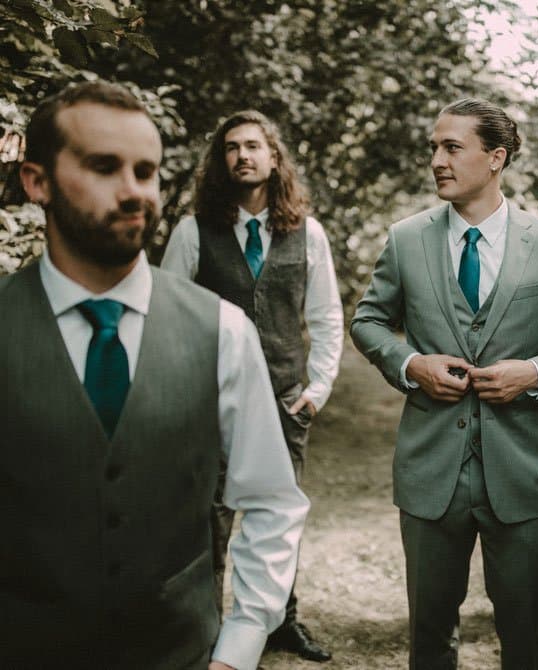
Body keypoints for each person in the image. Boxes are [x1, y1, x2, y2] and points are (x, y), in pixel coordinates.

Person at [1, 80, 309, 669]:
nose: (133, 191)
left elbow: (272, 499)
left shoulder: (222, 331)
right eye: (103, 166)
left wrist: (240, 645)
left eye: (145, 172)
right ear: (36, 182)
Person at [351, 98, 538, 669]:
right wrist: (409, 364)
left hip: (519, 473)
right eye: (434, 148)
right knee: (429, 635)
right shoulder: (406, 239)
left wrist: (537, 373)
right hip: (429, 474)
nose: (437, 160)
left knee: (525, 635)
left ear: (495, 158)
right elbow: (367, 321)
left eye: (452, 147)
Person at [161, 110, 343, 662]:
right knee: (210, 520)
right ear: (221, 161)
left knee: (278, 516)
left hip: (286, 400)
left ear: (273, 158)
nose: (243, 155)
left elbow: (327, 314)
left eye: (253, 146)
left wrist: (319, 387)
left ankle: (280, 621)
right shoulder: (194, 231)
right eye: (232, 147)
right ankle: (209, 626)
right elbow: (167, 317)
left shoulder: (307, 232)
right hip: (212, 402)